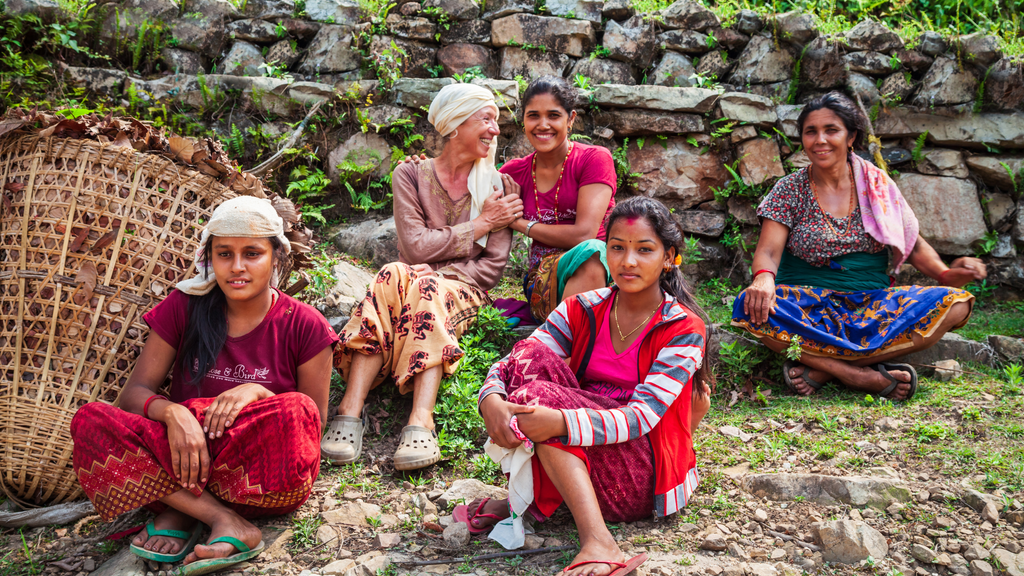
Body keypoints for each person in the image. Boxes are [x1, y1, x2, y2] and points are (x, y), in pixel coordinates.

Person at [71, 197, 338, 574]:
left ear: (276, 257)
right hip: (182, 457)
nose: (238, 267)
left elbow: (312, 422)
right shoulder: (185, 306)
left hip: (259, 477)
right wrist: (174, 413)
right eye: (224, 254)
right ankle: (221, 519)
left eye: (252, 253)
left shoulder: (304, 324)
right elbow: (134, 394)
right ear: (209, 257)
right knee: (90, 420)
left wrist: (258, 392)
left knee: (293, 409)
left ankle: (182, 510)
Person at [463, 197, 711, 576]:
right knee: (530, 360)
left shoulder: (681, 328)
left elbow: (640, 418)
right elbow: (519, 360)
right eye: (617, 248)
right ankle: (533, 501)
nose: (628, 262)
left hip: (642, 472)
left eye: (644, 250)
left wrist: (560, 422)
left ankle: (600, 542)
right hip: (586, 448)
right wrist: (491, 400)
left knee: (539, 400)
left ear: (668, 257)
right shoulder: (582, 308)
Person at [731, 91, 985, 400]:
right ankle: (857, 375)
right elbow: (769, 251)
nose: (820, 140)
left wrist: (947, 275)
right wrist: (763, 278)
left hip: (870, 303)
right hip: (809, 306)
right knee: (750, 304)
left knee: (957, 304)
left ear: (851, 136)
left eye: (831, 130)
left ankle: (825, 370)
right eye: (811, 132)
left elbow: (914, 246)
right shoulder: (789, 189)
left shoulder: (877, 185)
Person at [322, 83, 521, 471]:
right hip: (404, 282)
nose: (495, 131)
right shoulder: (410, 175)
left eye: (495, 121)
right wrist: (481, 224)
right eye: (486, 119)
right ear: (454, 124)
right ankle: (349, 409)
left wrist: (441, 270)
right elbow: (413, 248)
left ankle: (421, 419)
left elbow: (492, 267)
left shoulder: (500, 187)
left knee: (424, 283)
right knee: (392, 270)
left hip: (464, 289)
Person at [500, 75, 617, 323]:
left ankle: (565, 345)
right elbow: (465, 193)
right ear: (523, 121)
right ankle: (569, 341)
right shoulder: (514, 173)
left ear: (571, 119)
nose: (543, 125)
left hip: (602, 274)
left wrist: (521, 224)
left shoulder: (593, 159)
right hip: (544, 282)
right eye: (533, 116)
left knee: (592, 251)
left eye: (553, 115)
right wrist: (419, 171)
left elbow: (584, 234)